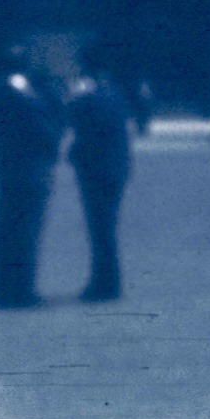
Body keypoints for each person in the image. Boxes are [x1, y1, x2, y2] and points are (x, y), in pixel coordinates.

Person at [0, 39, 66, 308]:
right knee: (19, 231)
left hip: (25, 169)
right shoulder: (7, 92)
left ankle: (15, 286)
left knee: (20, 230)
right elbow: (41, 128)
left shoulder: (13, 90)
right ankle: (15, 289)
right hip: (23, 169)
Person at [66, 47, 133, 303]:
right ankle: (107, 280)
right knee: (105, 228)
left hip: (97, 170)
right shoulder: (114, 90)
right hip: (116, 167)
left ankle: (105, 283)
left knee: (100, 229)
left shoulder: (89, 94)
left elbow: (81, 125)